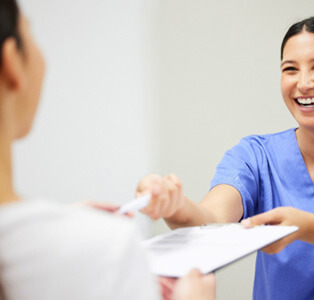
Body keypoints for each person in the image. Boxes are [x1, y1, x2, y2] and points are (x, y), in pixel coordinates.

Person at [136, 16, 314, 299]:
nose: (304, 82)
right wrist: (175, 206)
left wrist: (307, 226)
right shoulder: (254, 156)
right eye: (290, 69)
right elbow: (211, 223)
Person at [0, 0, 215, 299]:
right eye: (31, 35)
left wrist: (65, 219)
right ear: (11, 61)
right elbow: (219, 220)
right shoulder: (104, 248)